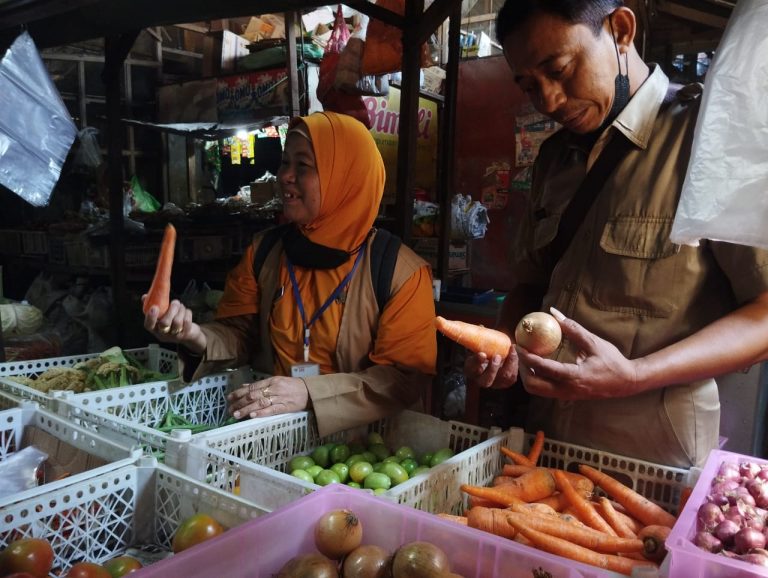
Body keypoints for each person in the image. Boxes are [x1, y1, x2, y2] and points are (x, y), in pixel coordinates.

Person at [466, 0, 768, 467]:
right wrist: (504, 341)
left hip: (653, 456)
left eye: (561, 69)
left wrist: (633, 375)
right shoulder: (554, 161)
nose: (547, 100)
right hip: (546, 448)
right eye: (529, 85)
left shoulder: (708, 138)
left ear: (621, 30)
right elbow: (531, 283)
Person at [144, 111, 437, 437]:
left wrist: (310, 393)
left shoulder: (401, 272)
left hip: (371, 447)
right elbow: (240, 334)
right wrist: (195, 337)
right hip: (279, 438)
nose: (284, 176)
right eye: (285, 162)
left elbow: (403, 379)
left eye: (303, 166)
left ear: (345, 177)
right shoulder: (265, 253)